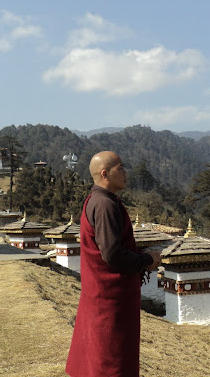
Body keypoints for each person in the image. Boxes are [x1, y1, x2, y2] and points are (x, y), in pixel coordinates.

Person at [65, 151, 161, 377]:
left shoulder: (98, 200)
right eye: (121, 168)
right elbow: (113, 254)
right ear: (105, 174)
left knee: (101, 354)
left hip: (102, 295)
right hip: (111, 299)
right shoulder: (105, 205)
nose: (126, 173)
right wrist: (147, 260)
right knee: (112, 360)